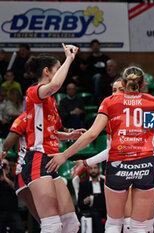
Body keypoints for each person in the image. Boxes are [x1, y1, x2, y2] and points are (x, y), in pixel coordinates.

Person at [46, 65, 154, 232]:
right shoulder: (153, 102)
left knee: (114, 223)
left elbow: (91, 135)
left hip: (118, 166)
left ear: (124, 83)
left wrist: (64, 155)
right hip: (145, 165)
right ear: (144, 82)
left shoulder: (110, 103)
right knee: (140, 226)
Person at [21, 44, 84, 233]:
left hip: (51, 160)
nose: (59, 73)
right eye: (57, 69)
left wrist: (69, 135)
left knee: (72, 224)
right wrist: (69, 59)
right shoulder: (34, 91)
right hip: (37, 160)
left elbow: (52, 131)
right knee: (52, 226)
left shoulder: (51, 100)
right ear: (47, 71)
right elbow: (55, 85)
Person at [1, 112, 40, 224]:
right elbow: (6, 145)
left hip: (40, 168)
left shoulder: (48, 116)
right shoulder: (23, 119)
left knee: (51, 219)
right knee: (45, 220)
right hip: (24, 172)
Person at [78, 164, 106, 233]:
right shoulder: (83, 184)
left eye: (95, 168)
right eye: (91, 168)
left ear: (99, 169)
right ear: (88, 170)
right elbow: (79, 204)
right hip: (91, 209)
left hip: (105, 209)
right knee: (96, 214)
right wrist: (85, 201)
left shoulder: (104, 183)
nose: (93, 170)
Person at [0, 158, 26, 233]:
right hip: (1, 211)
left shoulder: (13, 177)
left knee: (20, 230)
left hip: (13, 211)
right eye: (2, 165)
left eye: (6, 165)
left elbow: (16, 188)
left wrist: (5, 177)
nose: (5, 167)